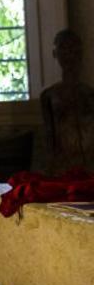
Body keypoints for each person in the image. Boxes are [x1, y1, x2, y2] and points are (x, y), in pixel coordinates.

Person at [40, 28, 94, 175]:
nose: (69, 54)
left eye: (73, 49)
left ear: (80, 53)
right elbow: (49, 137)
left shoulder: (89, 94)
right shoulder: (49, 96)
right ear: (55, 54)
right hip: (62, 168)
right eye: (64, 48)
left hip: (89, 167)